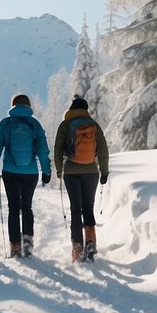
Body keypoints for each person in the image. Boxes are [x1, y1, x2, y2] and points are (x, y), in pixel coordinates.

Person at [0, 93, 52, 258]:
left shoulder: (6, 123)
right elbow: (43, 150)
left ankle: (15, 247)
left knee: (13, 208)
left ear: (13, 106)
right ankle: (28, 243)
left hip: (10, 171)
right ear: (28, 106)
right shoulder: (34, 123)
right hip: (30, 172)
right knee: (27, 207)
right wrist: (46, 171)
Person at [53, 95, 109, 262]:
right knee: (88, 208)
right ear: (86, 110)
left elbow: (57, 149)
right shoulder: (93, 125)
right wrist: (104, 171)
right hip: (91, 171)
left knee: (76, 210)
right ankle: (91, 244)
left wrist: (59, 169)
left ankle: (77, 249)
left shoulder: (65, 125)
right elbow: (103, 149)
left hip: (71, 172)